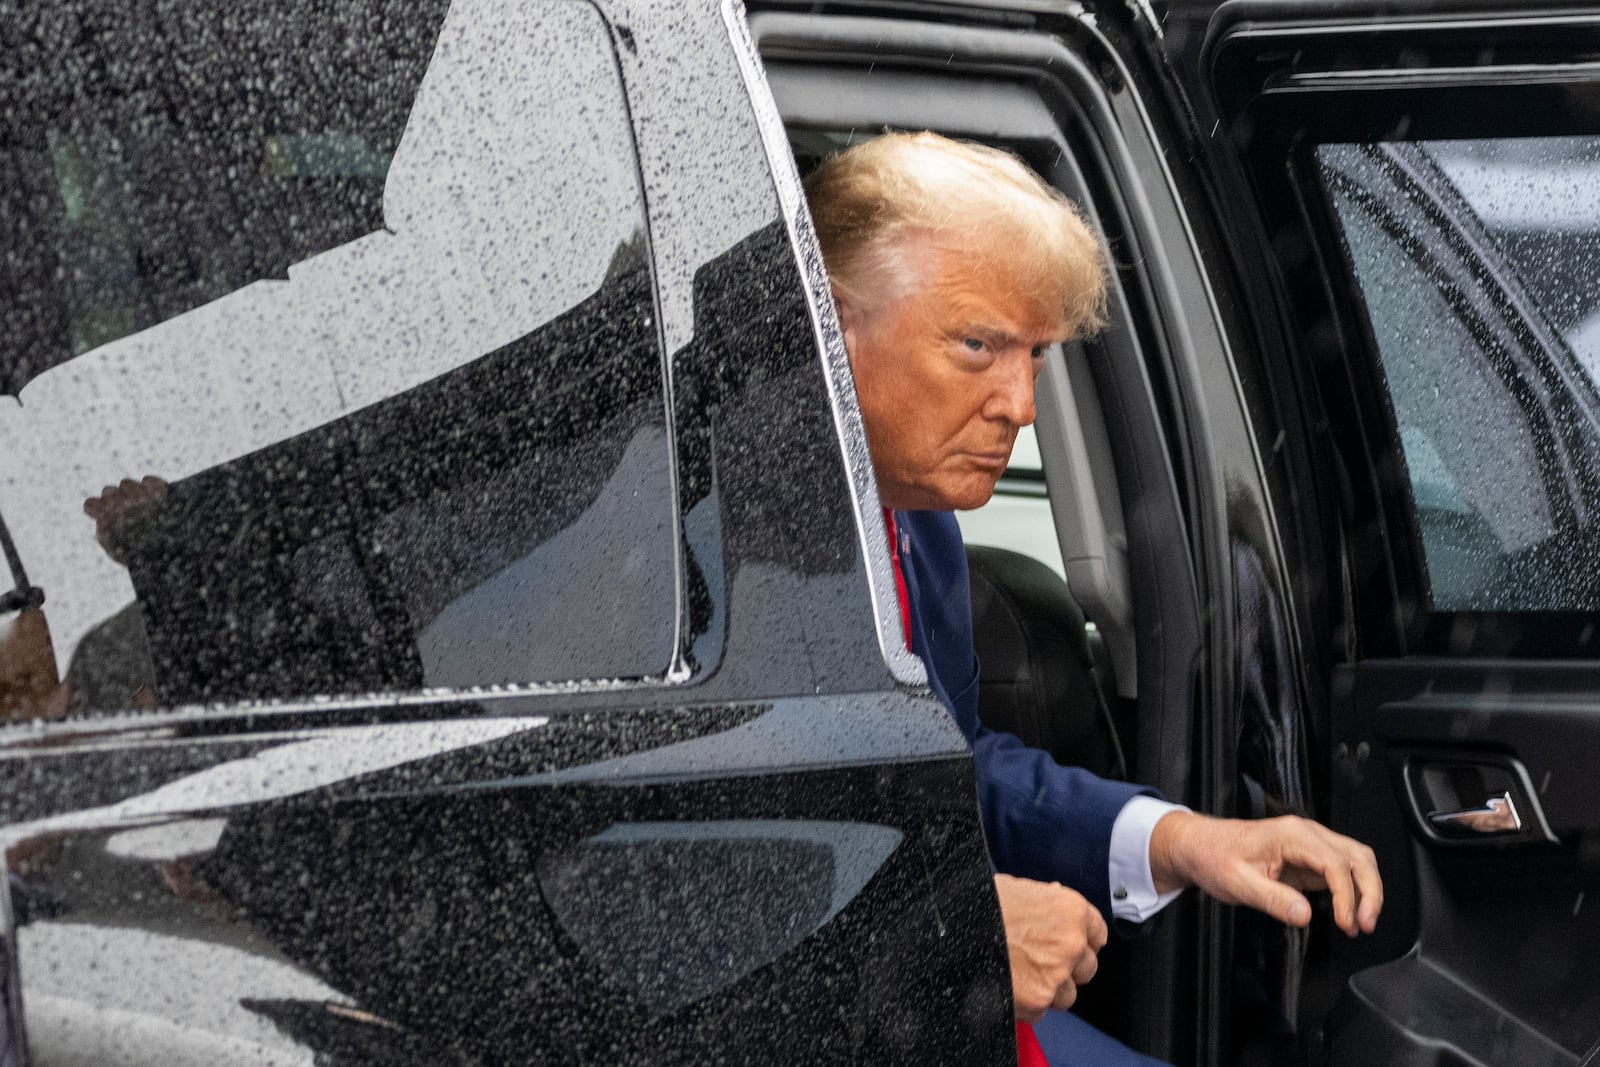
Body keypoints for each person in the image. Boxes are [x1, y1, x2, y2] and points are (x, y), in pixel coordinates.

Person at [803, 132, 1382, 1066]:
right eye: (978, 344)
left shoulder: (918, 523)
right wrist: (951, 930)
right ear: (831, 327)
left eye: (1034, 354)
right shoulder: (680, 550)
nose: (1022, 406)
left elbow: (949, 772)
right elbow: (656, 863)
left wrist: (1185, 840)